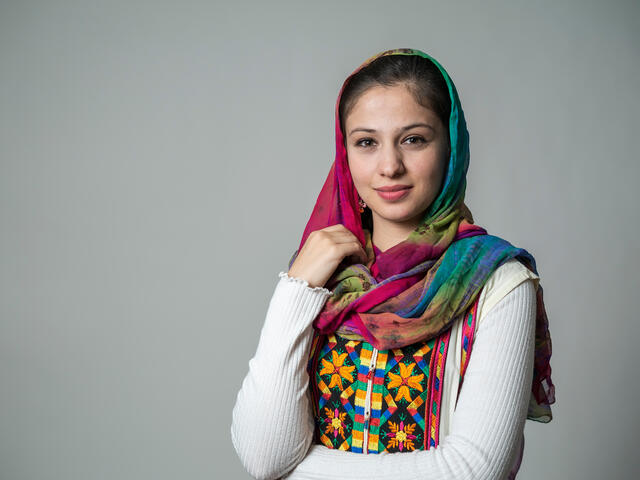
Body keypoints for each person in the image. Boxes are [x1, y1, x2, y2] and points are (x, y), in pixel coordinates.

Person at [230, 48, 555, 480]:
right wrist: (294, 288)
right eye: (366, 142)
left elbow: (474, 472)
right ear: (344, 155)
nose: (389, 166)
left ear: (451, 146)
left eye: (413, 139)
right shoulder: (321, 278)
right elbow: (263, 455)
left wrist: (295, 472)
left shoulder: (498, 282)